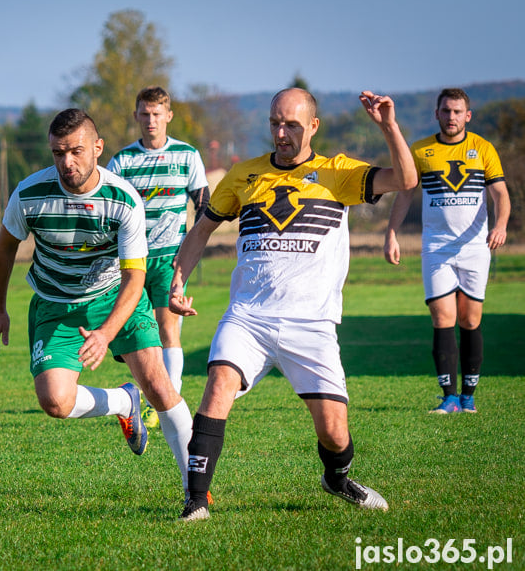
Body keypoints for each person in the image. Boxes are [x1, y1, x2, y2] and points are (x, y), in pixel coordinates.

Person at [170, 88, 418, 521]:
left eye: (292, 126)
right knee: (217, 389)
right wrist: (178, 279)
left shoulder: (337, 172)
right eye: (274, 124)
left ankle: (337, 479)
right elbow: (202, 230)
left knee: (336, 435)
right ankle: (195, 502)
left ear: (314, 127)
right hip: (248, 317)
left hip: (312, 324)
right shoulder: (242, 175)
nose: (281, 134)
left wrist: (388, 127)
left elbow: (406, 179)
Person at [0, 108, 195, 499]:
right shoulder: (30, 193)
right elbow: (3, 249)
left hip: (118, 299)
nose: (67, 162)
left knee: (160, 387)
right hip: (55, 305)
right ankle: (121, 401)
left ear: (98, 148)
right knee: (55, 402)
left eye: (77, 151)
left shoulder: (122, 200)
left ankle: (194, 490)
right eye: (58, 153)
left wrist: (106, 333)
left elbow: (135, 278)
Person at [384, 88, 510, 414]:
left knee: (470, 320)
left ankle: (469, 396)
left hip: (474, 249)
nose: (451, 117)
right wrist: (391, 234)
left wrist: (501, 225)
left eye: (457, 112)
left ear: (467, 116)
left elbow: (500, 194)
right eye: (446, 111)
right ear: (436, 114)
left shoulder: (483, 149)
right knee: (443, 318)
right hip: (436, 249)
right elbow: (405, 194)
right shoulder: (421, 150)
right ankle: (449, 398)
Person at [107, 86, 209, 429]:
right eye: (144, 114)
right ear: (136, 116)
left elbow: (205, 206)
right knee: (131, 339)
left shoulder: (187, 155)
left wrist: (191, 250)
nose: (150, 120)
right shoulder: (122, 161)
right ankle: (145, 395)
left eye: (156, 114)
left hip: (170, 259)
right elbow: (110, 210)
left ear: (168, 116)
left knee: (168, 328)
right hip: (131, 261)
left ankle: (171, 402)